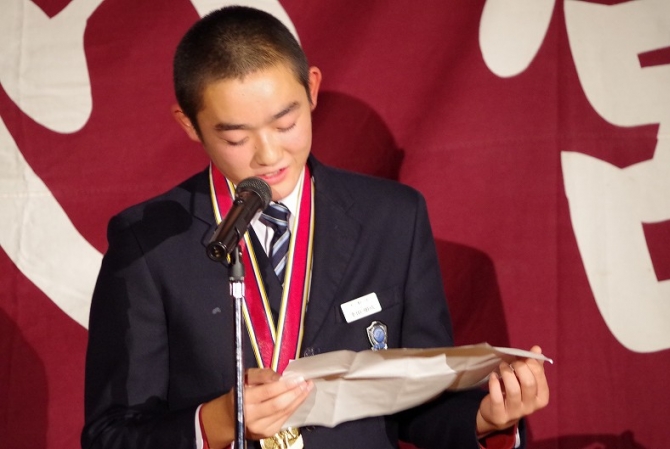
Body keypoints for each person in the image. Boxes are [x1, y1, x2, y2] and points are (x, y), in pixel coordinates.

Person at [82, 6, 549, 449]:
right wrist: (218, 420)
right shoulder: (148, 243)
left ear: (312, 89)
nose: (268, 155)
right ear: (189, 124)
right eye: (236, 138)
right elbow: (110, 435)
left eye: (286, 123)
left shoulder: (391, 218)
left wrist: (489, 419)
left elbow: (419, 400)